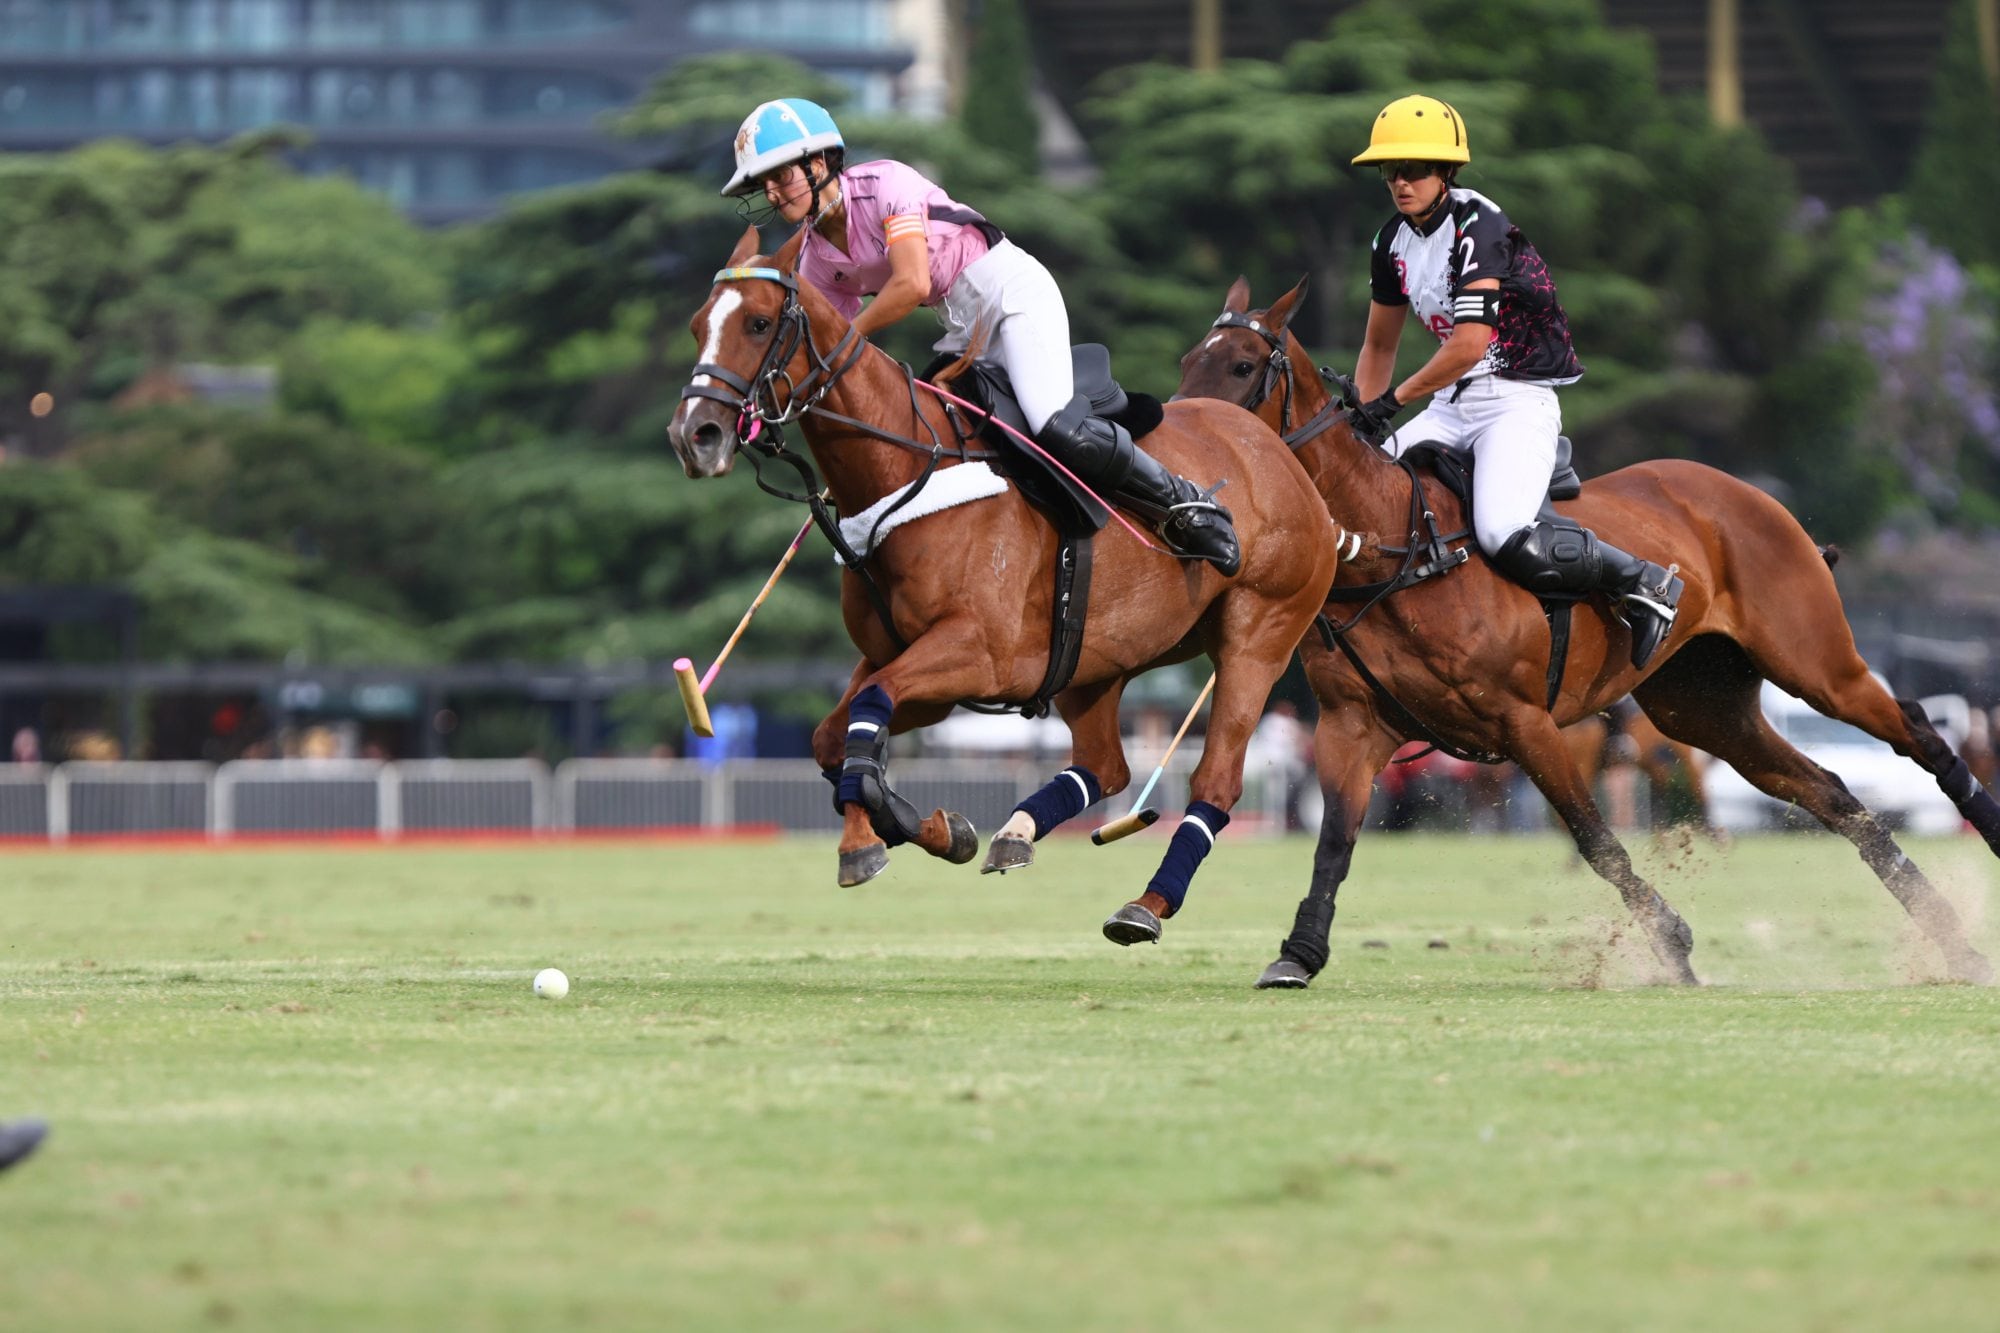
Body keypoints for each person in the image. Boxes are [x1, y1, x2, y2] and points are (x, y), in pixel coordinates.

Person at [721, 97, 1239, 575]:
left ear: (818, 162)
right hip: (962, 329)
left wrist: (844, 340)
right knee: (929, 441)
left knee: (1052, 423)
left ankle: (1188, 505)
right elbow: (829, 359)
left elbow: (911, 285)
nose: (770, 192)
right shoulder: (813, 258)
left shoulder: (884, 184)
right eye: (761, 184)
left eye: (779, 175)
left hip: (1012, 292)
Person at [1346, 94, 1682, 668]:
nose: (1401, 183)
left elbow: (1471, 343)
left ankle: (1646, 580)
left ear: (1446, 172)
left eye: (1415, 170)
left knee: (1502, 530)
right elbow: (1379, 344)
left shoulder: (1480, 223)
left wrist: (1392, 402)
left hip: (1516, 400)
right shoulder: (1389, 241)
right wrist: (1357, 424)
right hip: (1453, 403)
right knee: (1358, 496)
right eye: (1390, 171)